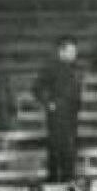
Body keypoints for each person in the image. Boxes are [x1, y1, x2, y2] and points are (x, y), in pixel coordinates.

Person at [33, 36, 83, 183]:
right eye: (71, 51)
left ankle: (69, 178)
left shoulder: (75, 69)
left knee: (70, 146)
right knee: (56, 146)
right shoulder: (51, 67)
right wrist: (48, 103)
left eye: (75, 51)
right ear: (61, 51)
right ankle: (54, 179)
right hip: (57, 113)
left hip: (71, 113)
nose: (74, 54)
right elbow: (36, 88)